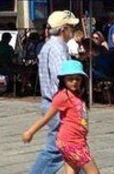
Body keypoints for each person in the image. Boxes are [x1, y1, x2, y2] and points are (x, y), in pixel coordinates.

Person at [23, 59, 99, 173]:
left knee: (71, 170)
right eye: (70, 79)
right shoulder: (63, 96)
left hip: (75, 140)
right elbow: (46, 118)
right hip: (72, 142)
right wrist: (30, 132)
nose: (74, 82)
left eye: (77, 79)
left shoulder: (78, 95)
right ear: (64, 80)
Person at [29, 9, 79, 174]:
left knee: (70, 146)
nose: (73, 30)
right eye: (71, 27)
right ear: (64, 29)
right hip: (58, 104)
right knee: (56, 149)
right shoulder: (58, 48)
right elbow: (62, 78)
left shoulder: (48, 45)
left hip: (52, 102)